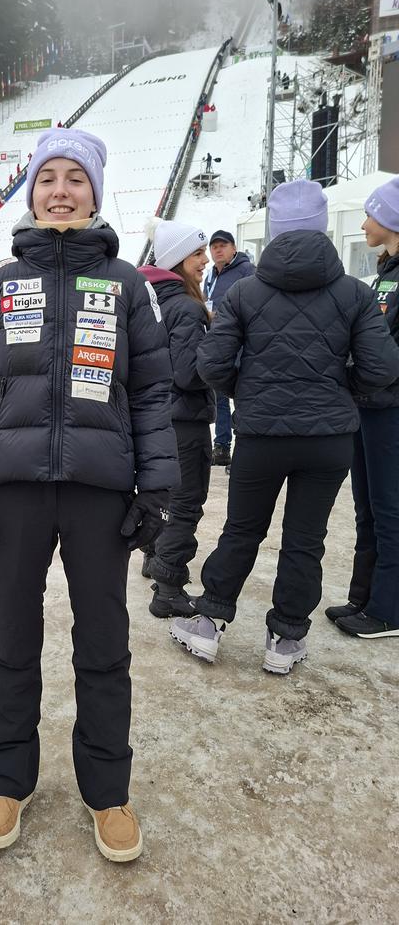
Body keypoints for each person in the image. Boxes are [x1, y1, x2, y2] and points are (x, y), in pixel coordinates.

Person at [0, 127, 179, 861]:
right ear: (32, 192)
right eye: (49, 178)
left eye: (76, 178)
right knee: (10, 640)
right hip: (14, 490)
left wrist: (157, 485)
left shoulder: (128, 287)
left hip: (98, 492)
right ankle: (7, 776)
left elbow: (151, 391)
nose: (62, 190)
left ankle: (108, 789)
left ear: (96, 193)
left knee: (103, 644)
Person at [170, 181, 399, 674]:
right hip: (329, 440)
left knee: (242, 529)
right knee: (304, 539)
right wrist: (343, 390)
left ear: (274, 229)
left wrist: (245, 390)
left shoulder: (244, 292)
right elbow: (382, 369)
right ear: (321, 227)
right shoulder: (356, 293)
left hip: (261, 436)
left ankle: (209, 622)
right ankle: (285, 639)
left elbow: (210, 363)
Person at [326, 174, 399, 638]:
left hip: (391, 410)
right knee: (368, 507)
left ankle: (388, 609)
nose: (366, 223)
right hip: (368, 407)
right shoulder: (386, 276)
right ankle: (364, 596)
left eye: (372, 214)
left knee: (391, 509)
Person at [137, 221, 214, 616]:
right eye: (197, 254)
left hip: (155, 418)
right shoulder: (186, 307)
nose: (205, 261)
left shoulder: (152, 300)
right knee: (186, 503)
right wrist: (221, 362)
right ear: (177, 260)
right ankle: (168, 587)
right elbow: (189, 372)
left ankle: (153, 555)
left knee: (161, 494)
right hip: (185, 420)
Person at [202, 231, 255, 466]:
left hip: (242, 342)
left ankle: (243, 449)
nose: (217, 250)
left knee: (243, 394)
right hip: (219, 341)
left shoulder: (246, 271)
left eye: (223, 245)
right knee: (220, 396)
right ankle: (222, 446)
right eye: (214, 247)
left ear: (234, 248)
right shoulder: (211, 275)